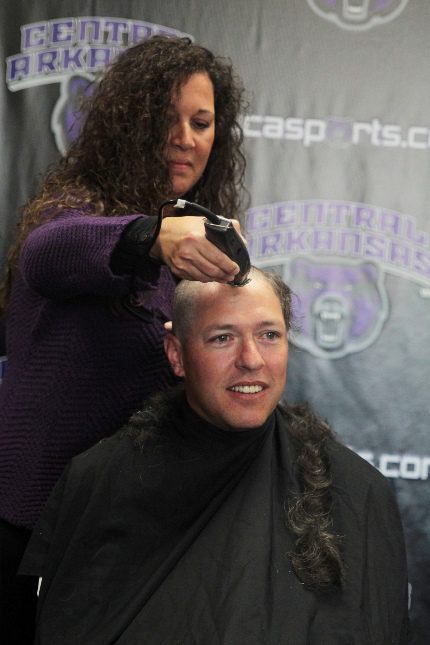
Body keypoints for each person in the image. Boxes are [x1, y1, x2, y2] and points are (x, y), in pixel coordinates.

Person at [0, 35, 247, 643]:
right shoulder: (73, 210)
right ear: (128, 124)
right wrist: (150, 237)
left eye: (201, 121)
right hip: (36, 530)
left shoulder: (201, 243)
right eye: (165, 119)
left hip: (132, 529)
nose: (184, 138)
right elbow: (46, 255)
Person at [21, 267, 410, 644]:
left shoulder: (356, 494)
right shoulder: (100, 481)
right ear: (176, 354)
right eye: (223, 338)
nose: (252, 359)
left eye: (270, 334)